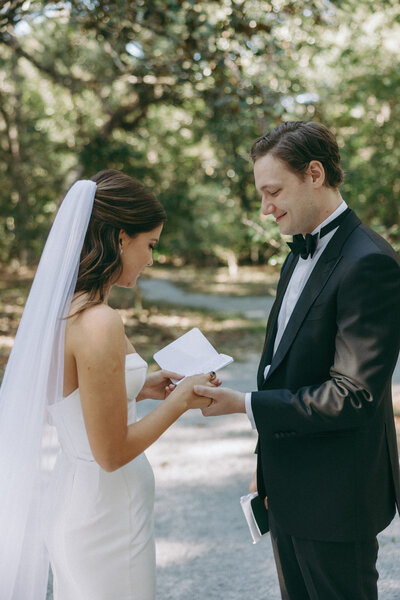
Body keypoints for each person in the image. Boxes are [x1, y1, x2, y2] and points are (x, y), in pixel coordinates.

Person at [194, 122, 400, 599]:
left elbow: (352, 396)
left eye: (273, 191)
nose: (265, 208)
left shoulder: (369, 262)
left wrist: (242, 405)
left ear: (314, 174)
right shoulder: (298, 249)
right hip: (287, 487)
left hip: (336, 497)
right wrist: (266, 464)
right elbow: (281, 367)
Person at [0, 169, 218, 600]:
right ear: (120, 238)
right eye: (150, 244)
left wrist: (142, 387)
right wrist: (181, 402)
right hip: (108, 516)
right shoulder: (99, 321)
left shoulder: (65, 311)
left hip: (78, 500)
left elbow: (61, 402)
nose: (152, 259)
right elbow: (112, 453)